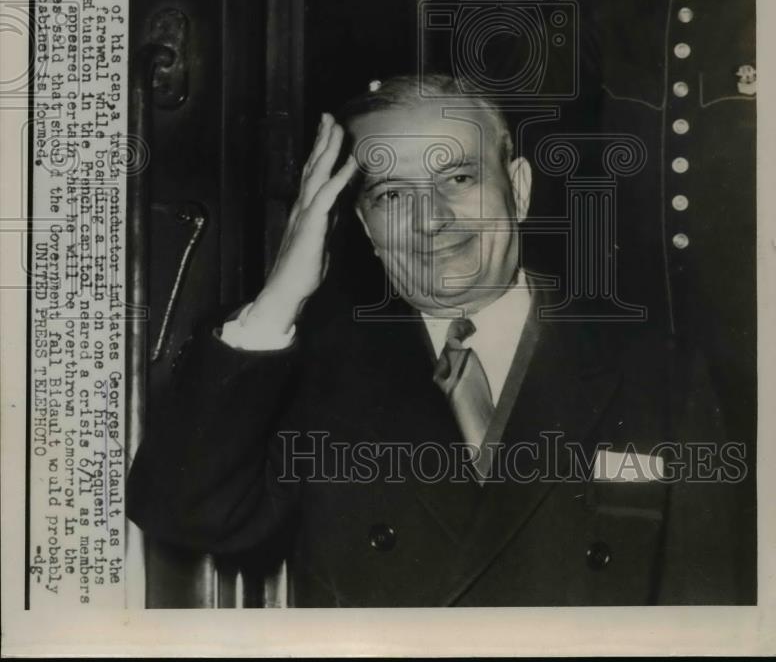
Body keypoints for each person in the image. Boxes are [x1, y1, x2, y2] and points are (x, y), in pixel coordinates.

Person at [128, 74, 743, 606]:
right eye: (393, 195)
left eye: (458, 178)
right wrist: (278, 298)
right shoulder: (315, 373)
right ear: (364, 225)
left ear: (520, 189)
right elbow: (181, 513)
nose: (432, 218)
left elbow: (706, 600)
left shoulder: (657, 372)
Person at [444, 0, 756, 600]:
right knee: (640, 560)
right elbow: (492, 93)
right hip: (627, 369)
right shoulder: (600, 18)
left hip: (762, 365)